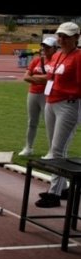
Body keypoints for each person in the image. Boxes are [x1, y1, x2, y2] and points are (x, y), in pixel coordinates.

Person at [35, 22, 81, 209]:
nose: (62, 39)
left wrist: (70, 94)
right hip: (51, 102)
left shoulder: (78, 57)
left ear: (76, 38)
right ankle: (60, 188)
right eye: (60, 36)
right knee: (54, 148)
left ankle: (53, 193)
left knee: (58, 149)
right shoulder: (58, 55)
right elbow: (50, 77)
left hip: (67, 105)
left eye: (66, 36)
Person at [18, 36, 58, 156]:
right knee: (32, 122)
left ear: (55, 48)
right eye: (44, 46)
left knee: (49, 123)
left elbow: (52, 78)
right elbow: (25, 77)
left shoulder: (56, 61)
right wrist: (42, 79)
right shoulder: (37, 60)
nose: (45, 49)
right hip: (33, 93)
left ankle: (52, 150)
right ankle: (28, 147)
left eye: (48, 47)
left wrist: (35, 78)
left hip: (47, 94)